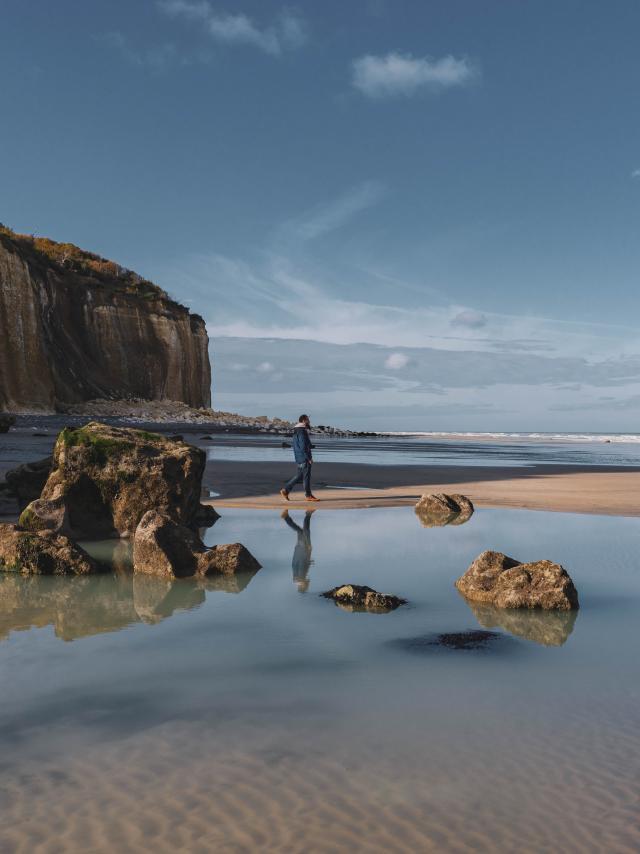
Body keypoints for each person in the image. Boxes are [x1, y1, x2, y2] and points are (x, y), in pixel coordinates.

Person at [280, 414, 319, 501]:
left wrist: (310, 446)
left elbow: (297, 445)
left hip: (298, 457)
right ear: (304, 421)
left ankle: (286, 490)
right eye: (308, 420)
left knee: (300, 476)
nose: (309, 421)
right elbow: (302, 446)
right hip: (303, 458)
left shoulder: (296, 430)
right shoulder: (302, 431)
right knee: (306, 477)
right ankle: (308, 495)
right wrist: (309, 458)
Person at [281, 509, 314, 592]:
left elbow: (302, 562)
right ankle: (287, 517)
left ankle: (307, 514)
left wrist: (309, 550)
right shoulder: (296, 577)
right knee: (300, 531)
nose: (308, 586)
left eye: (306, 587)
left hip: (303, 549)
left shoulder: (301, 577)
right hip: (298, 550)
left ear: (303, 586)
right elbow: (295, 563)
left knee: (305, 531)